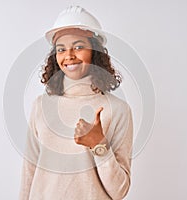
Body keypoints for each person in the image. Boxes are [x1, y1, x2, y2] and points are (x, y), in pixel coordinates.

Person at [19, 6, 133, 200]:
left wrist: (99, 145)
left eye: (79, 47)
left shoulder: (118, 110)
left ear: (95, 52)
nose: (69, 55)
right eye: (61, 49)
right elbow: (29, 172)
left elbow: (119, 191)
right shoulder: (41, 106)